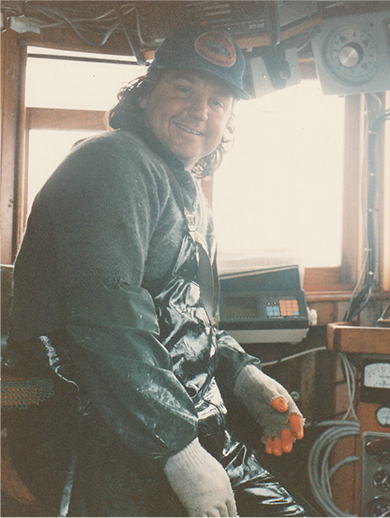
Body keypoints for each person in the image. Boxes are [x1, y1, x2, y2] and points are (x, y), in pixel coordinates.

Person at [6, 23, 312, 518]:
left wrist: (244, 378)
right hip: (95, 429)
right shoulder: (111, 162)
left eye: (218, 102)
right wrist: (180, 451)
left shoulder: (187, 194)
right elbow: (108, 320)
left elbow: (188, 322)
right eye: (185, 88)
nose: (200, 110)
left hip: (174, 422)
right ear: (146, 96)